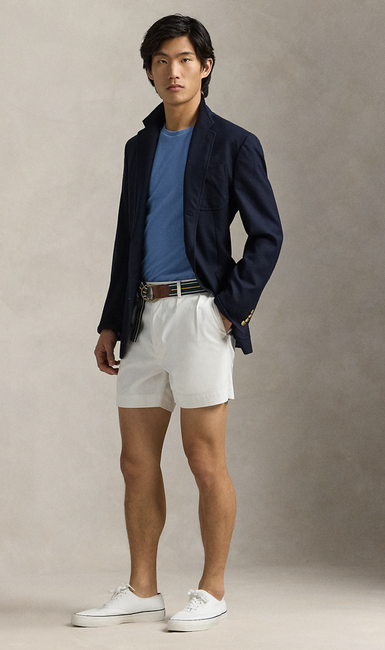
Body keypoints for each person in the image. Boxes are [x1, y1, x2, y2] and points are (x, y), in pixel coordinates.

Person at [71, 14, 282, 633]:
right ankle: (142, 589)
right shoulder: (138, 148)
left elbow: (267, 236)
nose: (173, 71)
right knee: (135, 463)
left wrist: (228, 308)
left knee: (203, 458)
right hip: (142, 315)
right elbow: (126, 241)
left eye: (185, 59)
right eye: (161, 61)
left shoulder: (235, 143)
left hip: (199, 314)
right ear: (149, 71)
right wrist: (111, 322)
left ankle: (212, 590)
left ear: (206, 67)